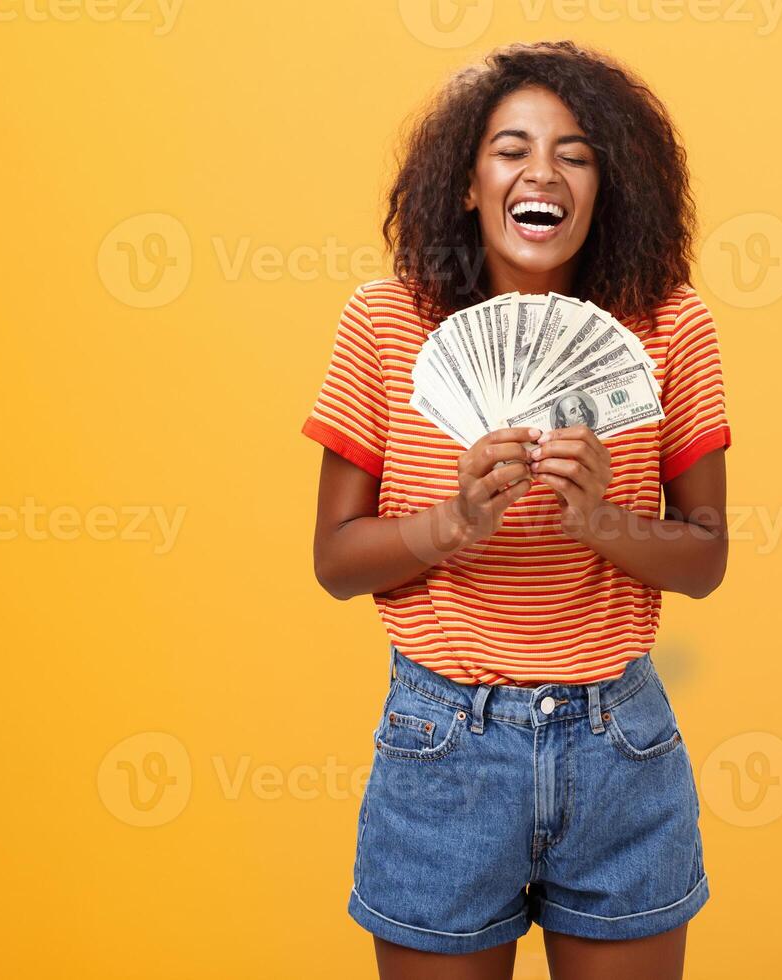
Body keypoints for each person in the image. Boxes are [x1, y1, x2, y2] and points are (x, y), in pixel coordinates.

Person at [302, 41, 733, 980]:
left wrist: (601, 520)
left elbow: (705, 561)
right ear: (466, 182)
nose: (542, 172)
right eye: (511, 149)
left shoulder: (669, 324)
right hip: (441, 745)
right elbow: (334, 562)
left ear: (605, 186)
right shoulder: (382, 323)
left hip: (619, 747)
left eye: (574, 154)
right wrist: (450, 521)